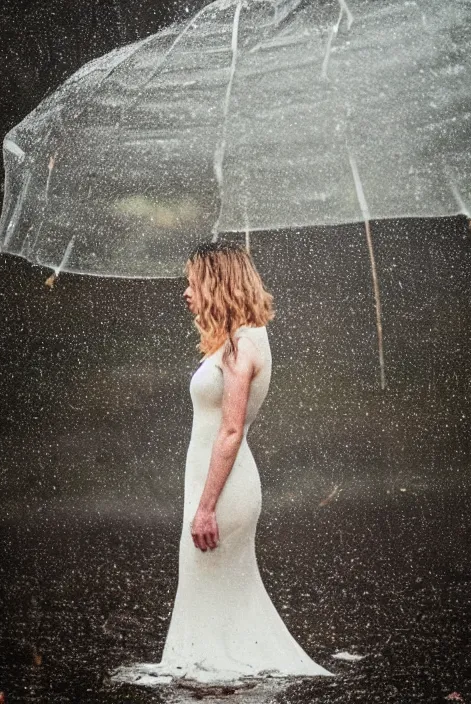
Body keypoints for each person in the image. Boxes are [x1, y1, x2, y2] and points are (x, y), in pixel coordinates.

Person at [110, 241, 335, 686]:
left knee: (208, 580)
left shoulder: (241, 346)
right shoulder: (237, 339)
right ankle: (214, 666)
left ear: (216, 283)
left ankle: (213, 671)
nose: (186, 291)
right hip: (216, 485)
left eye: (193, 281)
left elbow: (230, 430)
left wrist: (207, 505)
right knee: (213, 586)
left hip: (223, 489)